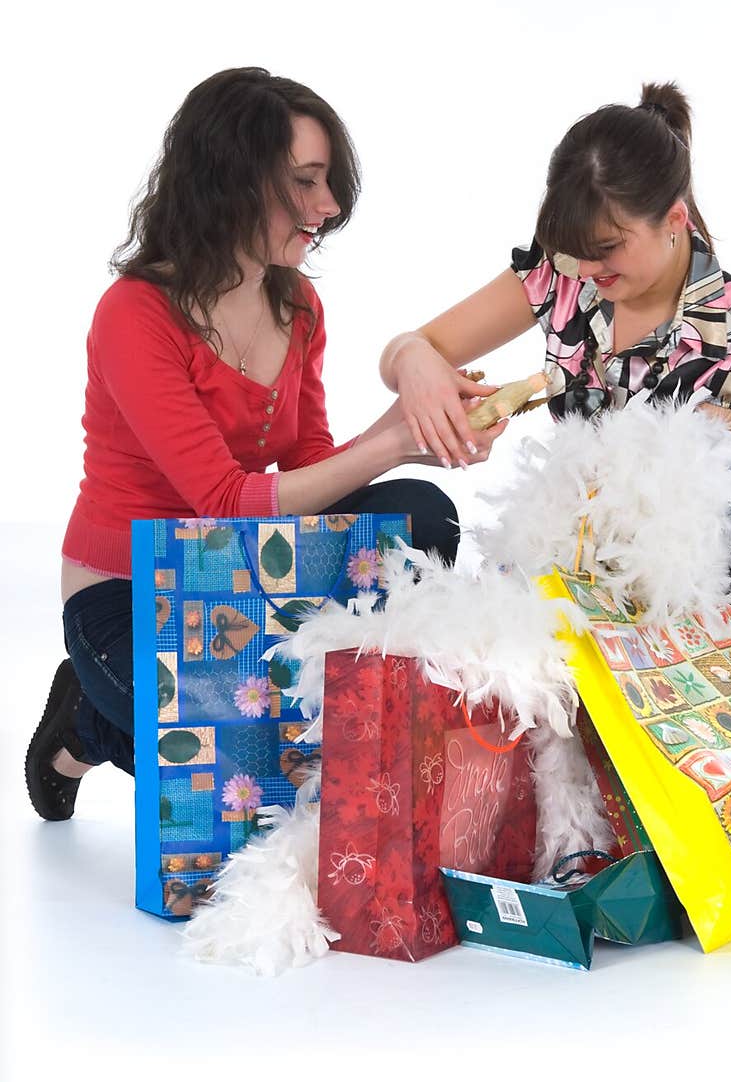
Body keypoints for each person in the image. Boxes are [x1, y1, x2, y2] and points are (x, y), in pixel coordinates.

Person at [26, 66, 505, 821]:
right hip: (130, 590)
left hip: (242, 575)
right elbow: (223, 500)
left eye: (329, 181)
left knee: (419, 511)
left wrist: (416, 431)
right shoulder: (134, 314)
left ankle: (287, 710)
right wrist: (391, 442)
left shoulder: (299, 302)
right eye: (306, 182)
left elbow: (313, 470)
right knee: (232, 760)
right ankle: (80, 726)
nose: (330, 205)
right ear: (232, 181)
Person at [379, 80, 731, 751]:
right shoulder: (562, 275)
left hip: (672, 569)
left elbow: (695, 512)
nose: (590, 268)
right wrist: (416, 361)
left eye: (609, 248)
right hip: (566, 544)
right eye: (576, 251)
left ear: (675, 220)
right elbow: (407, 349)